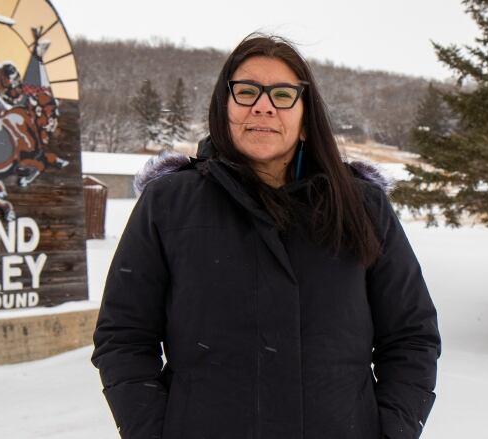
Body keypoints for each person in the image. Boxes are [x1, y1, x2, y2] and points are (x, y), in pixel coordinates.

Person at [92, 34, 441, 439]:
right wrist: (152, 430)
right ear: (224, 109)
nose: (263, 105)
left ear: (306, 119)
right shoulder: (169, 203)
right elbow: (124, 336)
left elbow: (411, 336)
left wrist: (392, 431)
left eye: (282, 94)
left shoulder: (359, 206)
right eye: (246, 91)